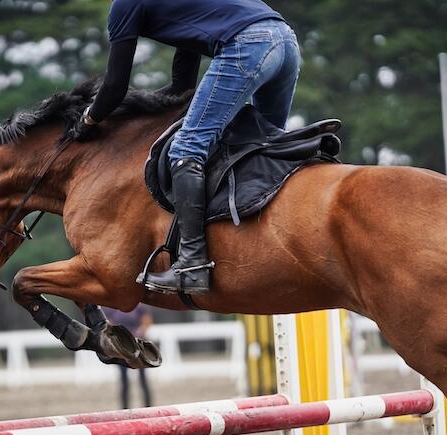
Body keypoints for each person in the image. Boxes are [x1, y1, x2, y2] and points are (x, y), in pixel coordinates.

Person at [72, 0, 301, 295]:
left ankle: (191, 265)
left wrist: (88, 119)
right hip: (286, 41)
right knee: (264, 146)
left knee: (186, 150)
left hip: (250, 45)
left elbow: (115, 85)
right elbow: (185, 70)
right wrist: (163, 98)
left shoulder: (124, 5)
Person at [102, 304, 154, 409]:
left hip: (138, 345)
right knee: (124, 379)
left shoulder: (138, 306)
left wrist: (139, 334)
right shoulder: (112, 308)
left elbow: (146, 321)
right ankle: (124, 407)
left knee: (143, 378)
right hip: (122, 347)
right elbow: (109, 325)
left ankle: (148, 406)